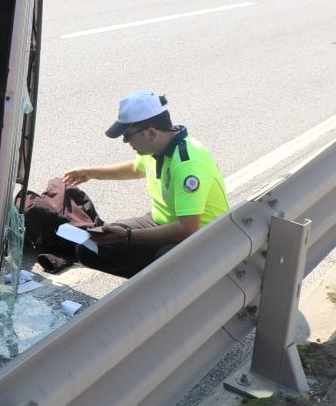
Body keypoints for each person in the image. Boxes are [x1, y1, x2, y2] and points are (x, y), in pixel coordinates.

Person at [62, 91, 229, 278]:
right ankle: (155, 281)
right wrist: (90, 173)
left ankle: (165, 287)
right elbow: (136, 169)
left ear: (151, 133)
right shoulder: (157, 148)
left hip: (203, 237)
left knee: (163, 261)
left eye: (128, 135)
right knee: (91, 248)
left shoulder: (187, 163)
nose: (125, 142)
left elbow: (186, 228)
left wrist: (126, 236)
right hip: (162, 221)